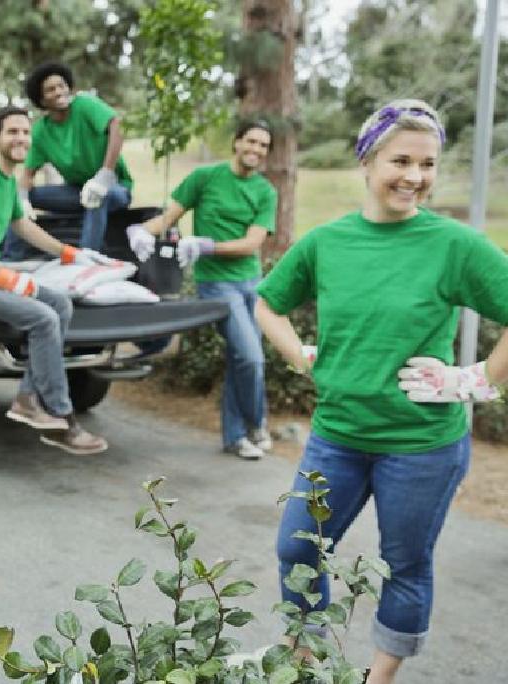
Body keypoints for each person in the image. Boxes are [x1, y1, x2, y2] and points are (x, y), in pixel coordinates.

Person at [255, 100, 508, 684]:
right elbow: (269, 303)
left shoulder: (453, 245)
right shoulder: (328, 243)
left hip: (423, 445)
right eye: (401, 160)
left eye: (428, 164)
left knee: (405, 564)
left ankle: (379, 677)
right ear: (367, 161)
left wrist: (474, 380)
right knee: (298, 550)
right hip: (336, 437)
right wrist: (301, 357)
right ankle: (305, 662)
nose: (415, 177)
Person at [0, 105, 109, 455]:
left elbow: (22, 225)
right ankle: (63, 415)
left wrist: (67, 252)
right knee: (43, 318)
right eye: (12, 132)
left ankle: (28, 397)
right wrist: (4, 277)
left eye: (26, 132)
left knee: (59, 303)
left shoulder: (7, 178)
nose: (21, 139)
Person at [126, 121, 277, 460]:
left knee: (246, 360)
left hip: (252, 282)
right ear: (236, 143)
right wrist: (141, 232)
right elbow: (169, 217)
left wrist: (207, 245)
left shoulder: (266, 191)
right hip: (218, 285)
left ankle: (235, 437)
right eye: (250, 141)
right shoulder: (206, 178)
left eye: (264, 145)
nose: (256, 149)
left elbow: (252, 243)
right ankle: (256, 423)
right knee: (251, 357)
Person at [2, 62, 133, 259]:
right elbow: (28, 174)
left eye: (62, 86)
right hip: (77, 192)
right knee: (16, 200)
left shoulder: (83, 105)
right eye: (51, 89)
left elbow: (117, 126)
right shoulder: (41, 131)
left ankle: (86, 260)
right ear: (42, 100)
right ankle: (10, 260)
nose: (59, 92)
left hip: (114, 188)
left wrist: (104, 176)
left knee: (98, 197)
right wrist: (22, 197)